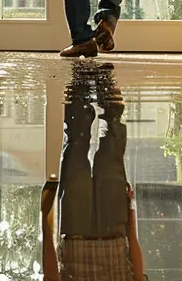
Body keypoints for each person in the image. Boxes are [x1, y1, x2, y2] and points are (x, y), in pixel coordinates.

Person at [41, 62, 145, 281]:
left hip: (74, 230)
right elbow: (136, 273)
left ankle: (79, 79)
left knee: (76, 151)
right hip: (114, 229)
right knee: (111, 151)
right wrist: (131, 211)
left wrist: (45, 219)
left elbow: (51, 276)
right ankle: (105, 85)